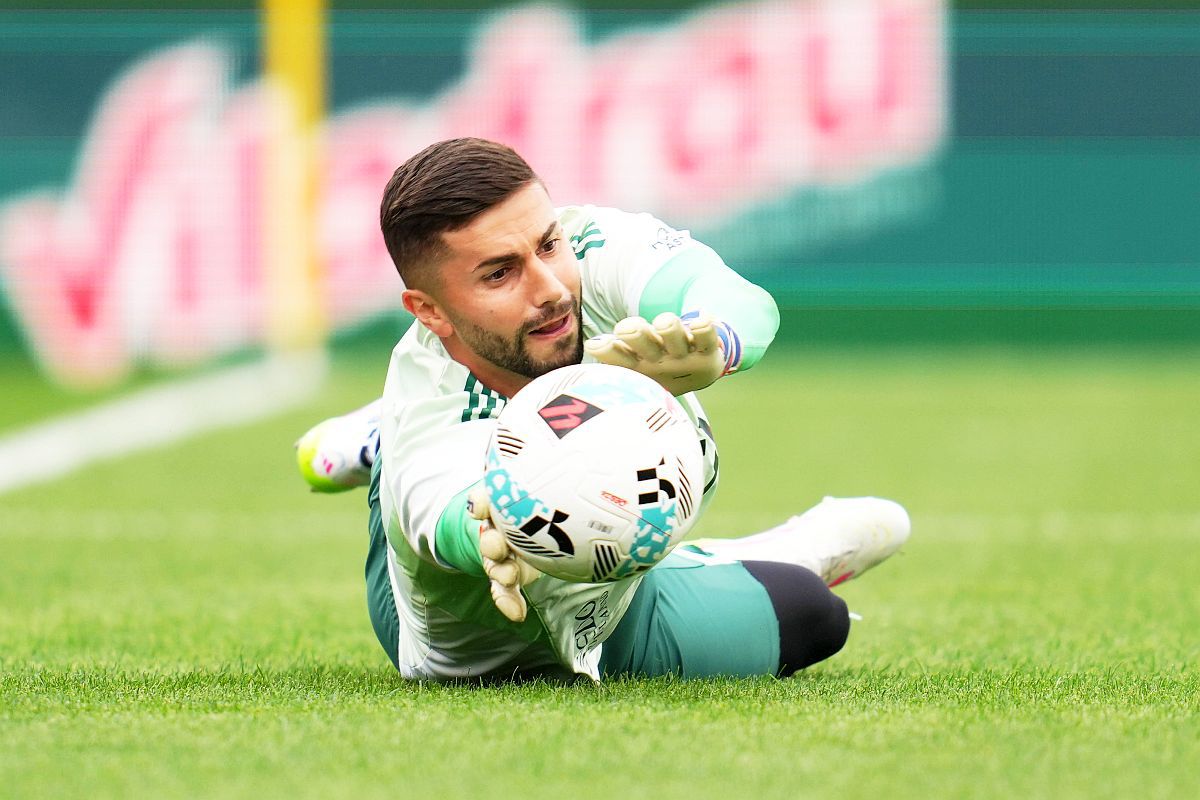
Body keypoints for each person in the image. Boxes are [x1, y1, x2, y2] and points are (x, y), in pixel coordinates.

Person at [296, 137, 910, 682]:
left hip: (617, 610)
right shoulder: (432, 422)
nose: (551, 289)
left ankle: (703, 563)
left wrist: (717, 342)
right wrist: (493, 528)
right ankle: (379, 439)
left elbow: (737, 298)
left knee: (817, 616)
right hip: (478, 651)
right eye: (499, 274)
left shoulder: (591, 246)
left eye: (548, 244)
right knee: (811, 611)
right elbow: (444, 512)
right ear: (430, 311)